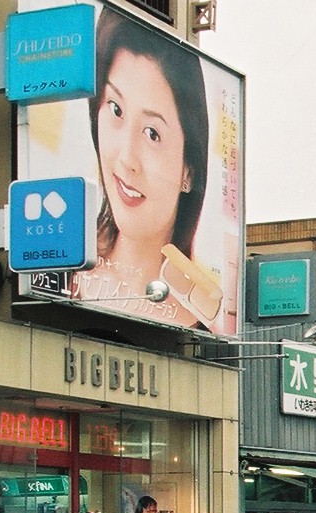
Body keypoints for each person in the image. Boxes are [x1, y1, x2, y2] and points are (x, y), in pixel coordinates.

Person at [69, 9, 218, 329]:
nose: (127, 158)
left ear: (189, 171)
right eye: (116, 109)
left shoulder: (204, 321)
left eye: (152, 133)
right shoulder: (58, 266)